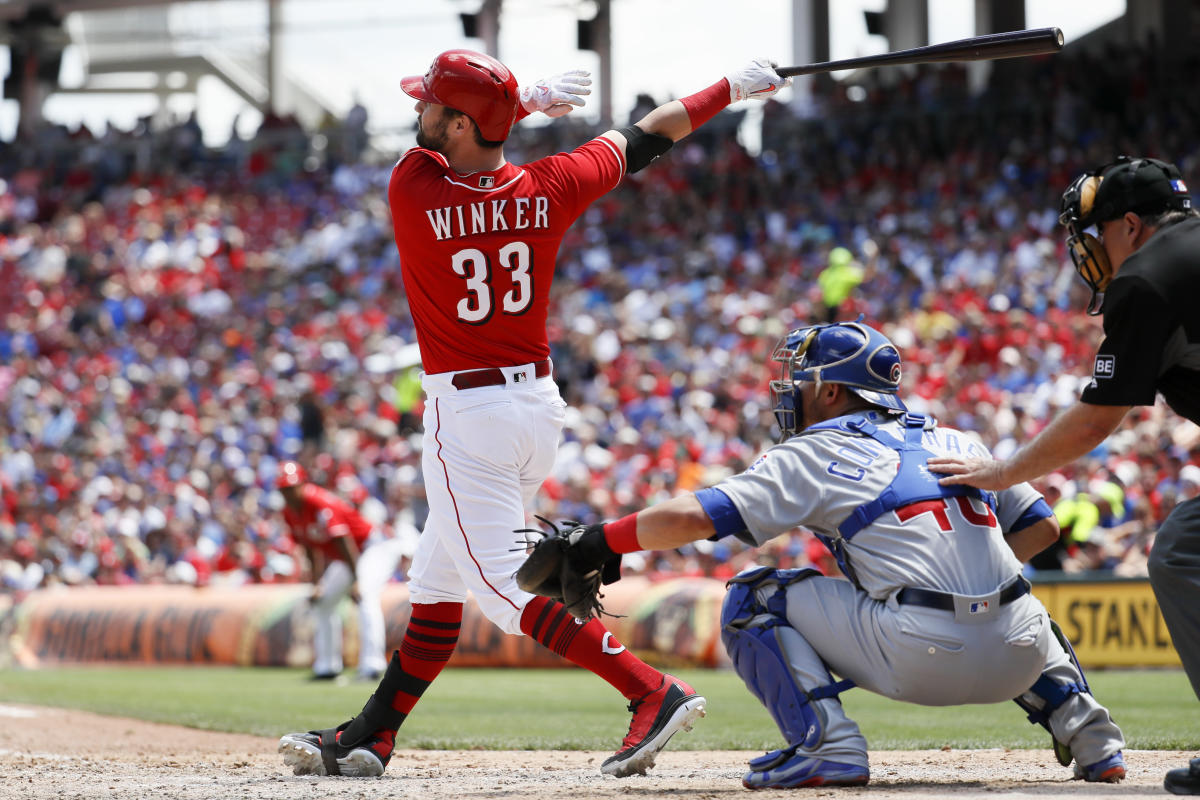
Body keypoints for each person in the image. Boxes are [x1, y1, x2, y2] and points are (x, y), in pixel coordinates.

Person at [279, 49, 789, 778]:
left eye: (432, 106)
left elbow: (445, 140)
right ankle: (371, 733)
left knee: (498, 590)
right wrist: (733, 88)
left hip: (469, 414)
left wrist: (523, 99)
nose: (419, 113)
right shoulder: (551, 184)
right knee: (435, 585)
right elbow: (647, 135)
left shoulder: (413, 185)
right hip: (536, 410)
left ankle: (652, 691)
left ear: (457, 122)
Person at [520, 320, 1126, 789]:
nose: (790, 393)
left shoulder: (814, 448)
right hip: (1020, 657)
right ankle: (1094, 739)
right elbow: (1041, 529)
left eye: (800, 382)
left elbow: (695, 516)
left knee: (752, 596)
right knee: (1011, 596)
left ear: (831, 391)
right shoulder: (952, 435)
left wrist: (601, 539)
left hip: (917, 654)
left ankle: (827, 746)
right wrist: (967, 584)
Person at [929, 156, 1200, 795]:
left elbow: (1095, 420)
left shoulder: (1148, 275)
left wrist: (1002, 471)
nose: (1093, 248)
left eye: (1099, 231)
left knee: (1183, 552)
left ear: (1131, 225)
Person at [277, 461, 407, 681]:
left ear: (303, 484)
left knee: (364, 595)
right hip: (350, 556)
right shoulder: (290, 512)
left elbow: (344, 541)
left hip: (373, 546)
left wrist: (356, 580)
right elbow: (309, 547)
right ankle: (327, 667)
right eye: (284, 489)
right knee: (324, 602)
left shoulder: (318, 501)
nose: (288, 493)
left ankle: (372, 666)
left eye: (292, 487)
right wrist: (317, 584)